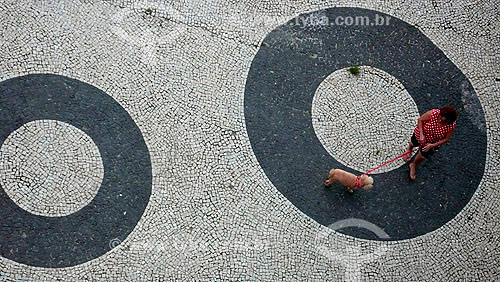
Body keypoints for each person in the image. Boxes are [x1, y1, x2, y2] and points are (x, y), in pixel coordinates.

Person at [403, 106, 457, 180]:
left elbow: (446, 139)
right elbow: (420, 120)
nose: (441, 120)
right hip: (421, 134)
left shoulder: (450, 125)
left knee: (422, 156)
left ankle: (413, 165)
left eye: (444, 120)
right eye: (441, 117)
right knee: (413, 143)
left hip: (433, 143)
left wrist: (432, 145)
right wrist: (421, 135)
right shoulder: (433, 113)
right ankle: (409, 150)